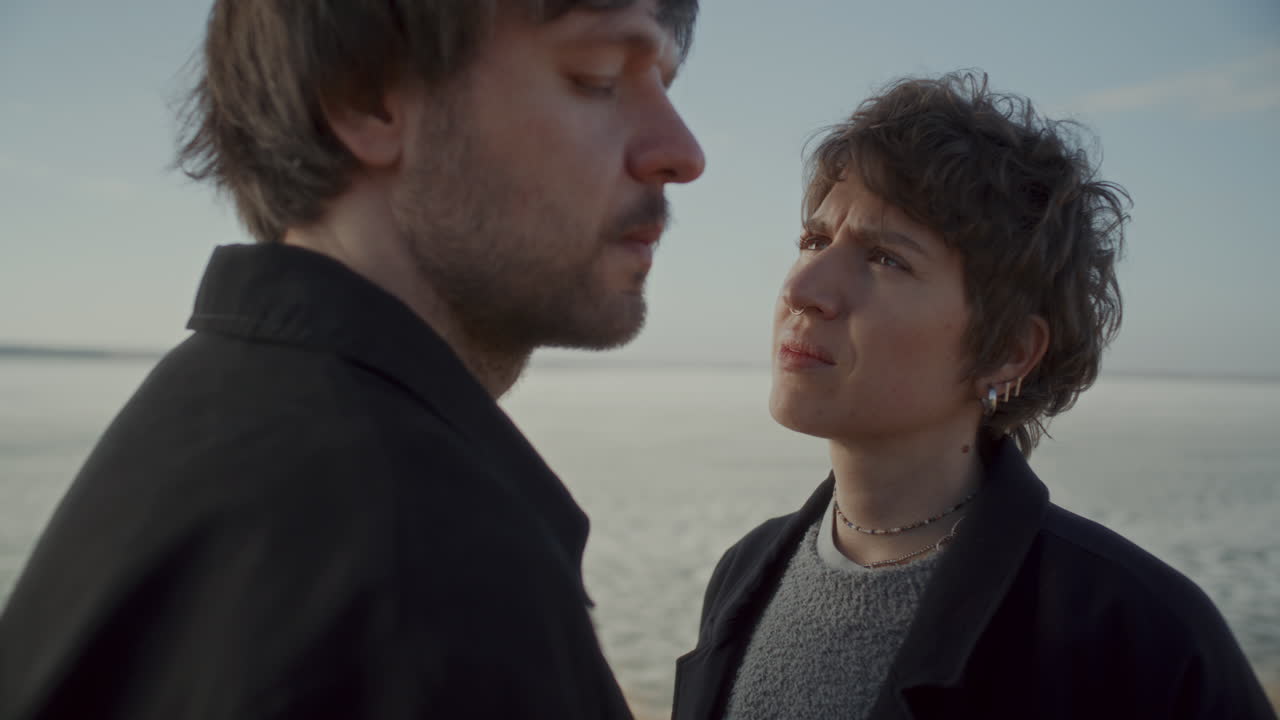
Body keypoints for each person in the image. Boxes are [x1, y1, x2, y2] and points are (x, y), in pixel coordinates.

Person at [0, 1, 704, 718]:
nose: (682, 151)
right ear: (365, 99)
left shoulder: (211, 416)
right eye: (598, 77)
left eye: (667, 88)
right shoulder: (422, 561)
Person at [672, 71, 1275, 720]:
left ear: (1008, 350)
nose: (803, 287)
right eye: (815, 240)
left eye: (886, 259)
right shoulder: (747, 573)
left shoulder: (1137, 635)